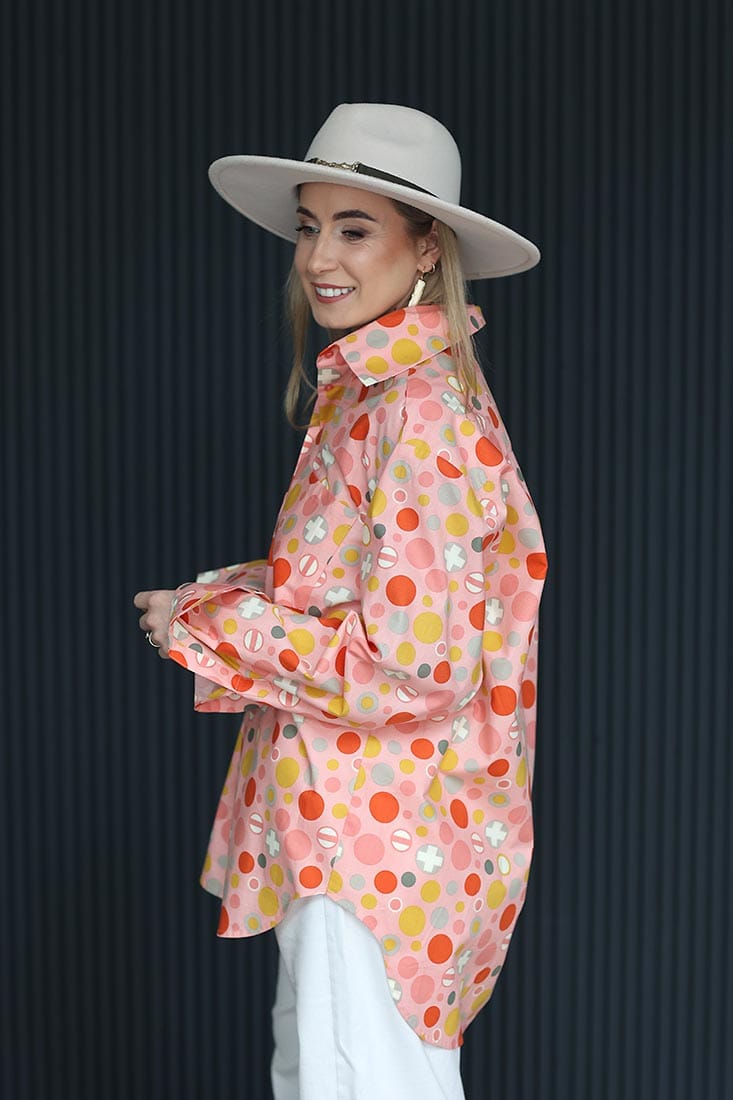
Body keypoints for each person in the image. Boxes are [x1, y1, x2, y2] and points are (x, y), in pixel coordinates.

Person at [134, 102, 548, 1100]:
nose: (319, 257)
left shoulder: (418, 411)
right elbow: (348, 597)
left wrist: (207, 621)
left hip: (376, 844)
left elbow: (413, 667)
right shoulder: (373, 394)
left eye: (354, 229)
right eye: (309, 226)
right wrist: (215, 600)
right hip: (350, 826)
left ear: (426, 247)